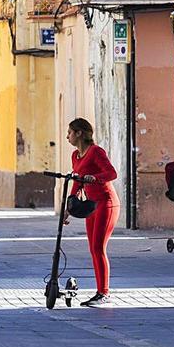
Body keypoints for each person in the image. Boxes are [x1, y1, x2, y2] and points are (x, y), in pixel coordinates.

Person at [65, 118, 118, 307]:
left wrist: (94, 178)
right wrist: (68, 208)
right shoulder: (75, 156)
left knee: (98, 248)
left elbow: (112, 173)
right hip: (91, 206)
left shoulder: (96, 152)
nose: (67, 136)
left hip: (106, 203)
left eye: (70, 132)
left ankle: (104, 293)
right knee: (93, 249)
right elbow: (77, 182)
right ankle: (100, 292)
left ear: (79, 133)